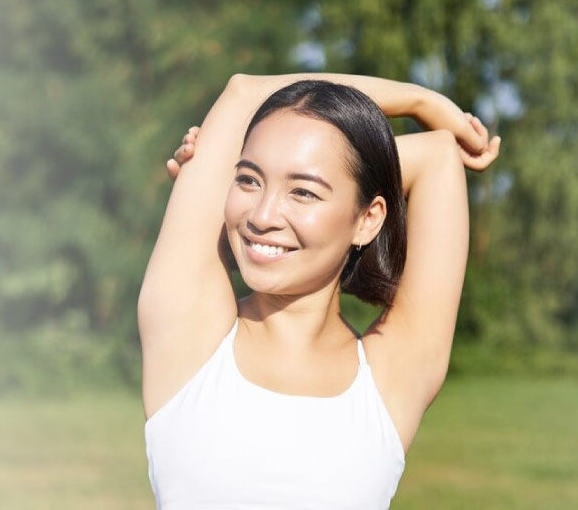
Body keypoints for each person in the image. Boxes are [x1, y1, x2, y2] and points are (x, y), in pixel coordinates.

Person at [139, 73, 501, 509]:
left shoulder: (390, 378)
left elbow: (437, 156)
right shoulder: (187, 334)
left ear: (369, 219)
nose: (263, 215)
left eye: (303, 192)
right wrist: (421, 102)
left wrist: (346, 170)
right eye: (249, 180)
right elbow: (244, 92)